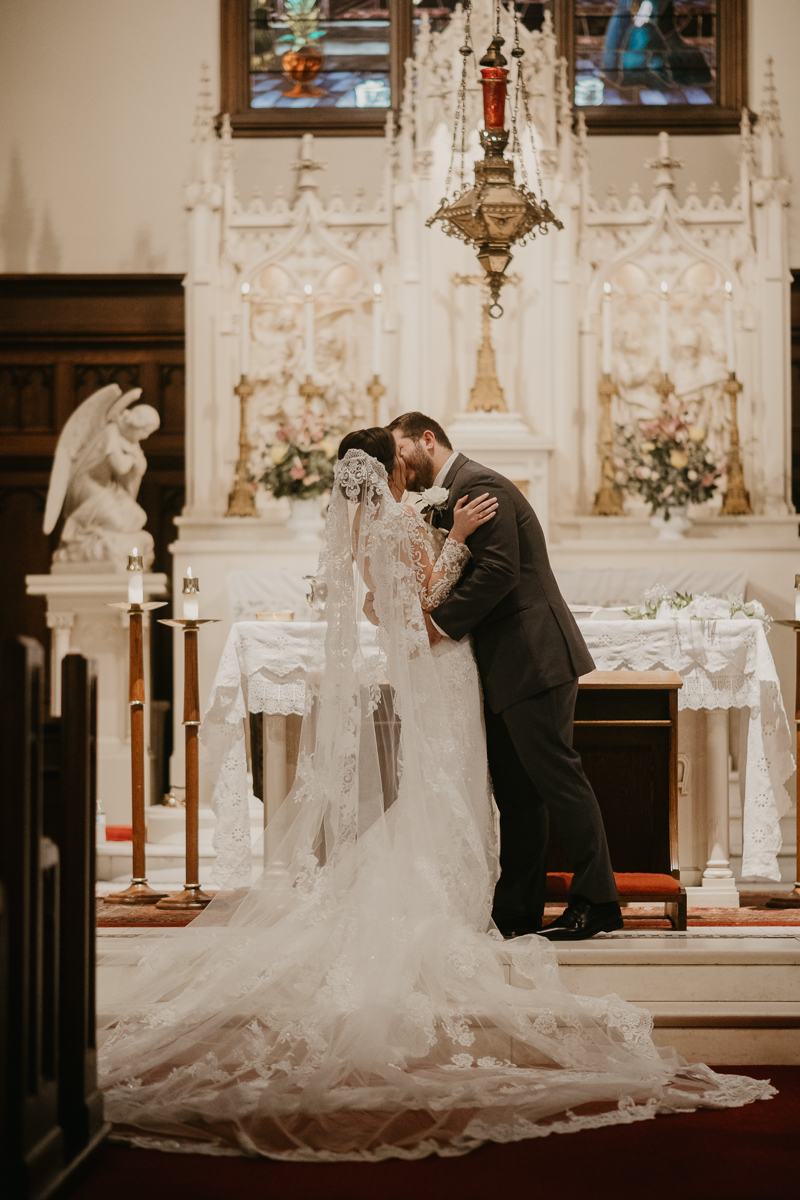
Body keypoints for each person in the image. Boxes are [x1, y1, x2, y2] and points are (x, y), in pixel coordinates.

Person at [98, 431, 771, 1162]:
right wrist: (451, 542)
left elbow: (407, 596)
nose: (406, 462)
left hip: (482, 664)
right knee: (475, 789)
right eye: (395, 456)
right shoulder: (416, 513)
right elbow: (424, 596)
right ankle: (505, 904)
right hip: (448, 669)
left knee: (511, 783)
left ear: (415, 446)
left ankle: (571, 898)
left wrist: (441, 567)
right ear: (392, 465)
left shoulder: (456, 499)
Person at [388, 412, 622, 941]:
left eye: (402, 452)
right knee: (518, 793)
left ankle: (598, 900)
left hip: (533, 655)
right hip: (506, 662)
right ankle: (517, 909)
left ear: (428, 439)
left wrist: (437, 626)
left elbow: (498, 570)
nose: (400, 465)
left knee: (557, 780)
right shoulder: (452, 493)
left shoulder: (479, 485)